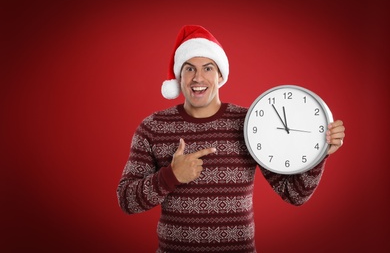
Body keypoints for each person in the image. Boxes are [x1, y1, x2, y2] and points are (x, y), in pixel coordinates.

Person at [116, 25, 345, 253]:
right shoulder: (153, 127)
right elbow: (126, 200)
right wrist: (171, 176)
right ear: (179, 76)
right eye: (189, 69)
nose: (198, 77)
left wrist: (321, 151)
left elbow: (294, 194)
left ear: (220, 75)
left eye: (207, 68)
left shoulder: (250, 122)